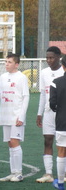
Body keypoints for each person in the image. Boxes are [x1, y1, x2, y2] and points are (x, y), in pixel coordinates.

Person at [0, 54, 29, 182]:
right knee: (10, 143)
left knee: (15, 142)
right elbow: (0, 94)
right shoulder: (3, 77)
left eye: (9, 62)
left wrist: (22, 116)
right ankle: (13, 172)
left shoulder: (21, 77)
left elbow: (26, 96)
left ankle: (19, 173)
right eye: (5, 61)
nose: (6, 64)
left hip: (16, 116)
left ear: (16, 64)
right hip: (5, 115)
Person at [36, 46, 64, 183]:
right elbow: (43, 94)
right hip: (48, 113)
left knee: (63, 144)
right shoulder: (44, 73)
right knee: (47, 140)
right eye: (47, 57)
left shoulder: (63, 72)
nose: (49, 60)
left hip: (61, 113)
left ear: (59, 57)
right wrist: (39, 113)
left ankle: (63, 173)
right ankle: (48, 174)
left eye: (51, 57)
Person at [49, 55, 66, 190]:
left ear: (63, 66)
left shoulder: (56, 82)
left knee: (61, 152)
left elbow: (53, 104)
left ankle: (60, 183)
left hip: (62, 122)